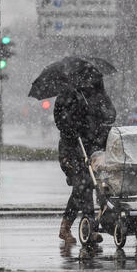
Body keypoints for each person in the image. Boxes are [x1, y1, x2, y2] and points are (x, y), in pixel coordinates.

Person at [54, 65, 116, 244]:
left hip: (92, 148)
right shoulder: (67, 96)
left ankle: (79, 225)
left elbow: (111, 114)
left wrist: (100, 114)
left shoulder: (97, 96)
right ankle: (86, 226)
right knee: (84, 185)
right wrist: (74, 121)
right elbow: (61, 122)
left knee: (94, 186)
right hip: (72, 149)